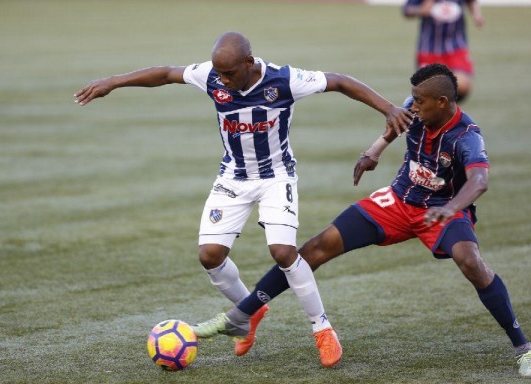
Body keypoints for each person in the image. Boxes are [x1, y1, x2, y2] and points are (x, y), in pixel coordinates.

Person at [74, 31, 413, 368]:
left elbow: (338, 81)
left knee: (283, 251)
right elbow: (166, 74)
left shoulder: (284, 80)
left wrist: (388, 108)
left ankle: (322, 328)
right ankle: (249, 313)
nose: (222, 80)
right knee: (209, 256)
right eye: (218, 74)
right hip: (233, 178)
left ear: (249, 63)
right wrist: (114, 82)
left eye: (229, 74)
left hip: (276, 177)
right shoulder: (211, 76)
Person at [192, 63, 531, 377]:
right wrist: (374, 152)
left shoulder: (466, 136)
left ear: (442, 102)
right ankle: (241, 315)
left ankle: (524, 347)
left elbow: (479, 181)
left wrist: (451, 208)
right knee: (315, 248)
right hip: (398, 201)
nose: (412, 106)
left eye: (419, 101)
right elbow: (395, 127)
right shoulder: (416, 108)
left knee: (470, 261)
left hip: (442, 209)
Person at [403, 0, 484, 102]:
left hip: (456, 48)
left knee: (462, 85)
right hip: (428, 50)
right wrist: (421, 10)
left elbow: (471, 1)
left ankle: (447, 110)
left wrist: (476, 14)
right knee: (427, 90)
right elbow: (407, 10)